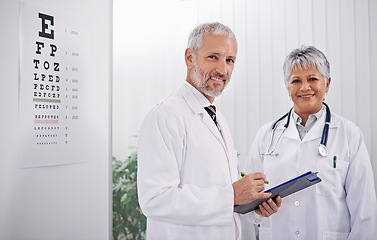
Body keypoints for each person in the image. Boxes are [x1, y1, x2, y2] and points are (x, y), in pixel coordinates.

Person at [137, 22, 281, 240]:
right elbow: (155, 200)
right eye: (213, 56)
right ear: (189, 58)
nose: (222, 70)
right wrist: (231, 195)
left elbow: (224, 198)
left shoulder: (217, 118)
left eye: (230, 60)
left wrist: (252, 208)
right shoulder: (164, 116)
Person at [245, 45, 377, 239]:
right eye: (296, 81)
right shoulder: (266, 135)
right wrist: (257, 211)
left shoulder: (349, 134)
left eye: (312, 79)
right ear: (287, 87)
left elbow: (364, 212)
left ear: (327, 83)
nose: (304, 87)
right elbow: (249, 204)